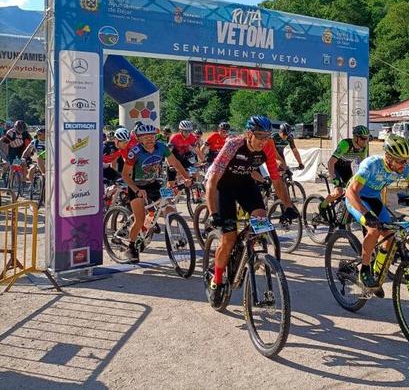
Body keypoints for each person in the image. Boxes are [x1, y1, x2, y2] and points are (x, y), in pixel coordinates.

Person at [204, 115, 298, 306]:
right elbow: (212, 182)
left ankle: (251, 255)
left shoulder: (268, 146)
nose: (264, 141)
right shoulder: (233, 145)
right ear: (249, 134)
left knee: (261, 220)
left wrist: (289, 206)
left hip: (245, 183)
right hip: (223, 186)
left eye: (267, 136)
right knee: (228, 238)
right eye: (260, 136)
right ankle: (217, 279)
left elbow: (276, 180)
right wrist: (213, 213)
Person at [345, 134, 409, 289]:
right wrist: (366, 214)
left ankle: (377, 273)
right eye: (400, 161)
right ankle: (364, 269)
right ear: (388, 157)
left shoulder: (403, 168)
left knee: (390, 235)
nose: (403, 165)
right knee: (373, 230)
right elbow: (351, 192)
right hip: (356, 198)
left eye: (406, 160)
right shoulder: (371, 165)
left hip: (374, 199)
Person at [122, 124, 192, 263]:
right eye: (145, 137)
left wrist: (186, 177)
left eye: (152, 136)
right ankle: (131, 247)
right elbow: (125, 176)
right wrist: (137, 190)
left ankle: (176, 237)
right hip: (136, 185)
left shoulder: (162, 147)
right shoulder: (134, 152)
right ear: (139, 139)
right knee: (139, 219)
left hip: (153, 183)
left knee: (169, 207)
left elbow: (175, 163)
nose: (150, 139)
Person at [319, 125, 370, 212]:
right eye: (363, 138)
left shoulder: (364, 147)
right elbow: (331, 162)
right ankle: (322, 206)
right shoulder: (345, 144)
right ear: (356, 138)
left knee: (354, 191)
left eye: (367, 138)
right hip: (336, 167)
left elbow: (363, 165)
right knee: (339, 191)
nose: (365, 141)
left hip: (346, 168)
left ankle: (344, 212)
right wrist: (333, 177)